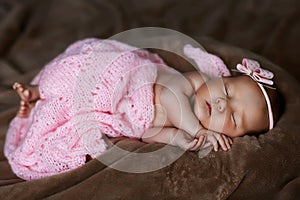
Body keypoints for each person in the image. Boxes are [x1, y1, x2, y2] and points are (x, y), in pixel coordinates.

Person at [4, 38, 281, 180]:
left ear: (232, 136)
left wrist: (181, 140)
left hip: (122, 116)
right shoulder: (195, 84)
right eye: (228, 91)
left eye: (232, 116)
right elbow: (170, 98)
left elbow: (149, 132)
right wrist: (195, 129)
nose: (222, 104)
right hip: (125, 83)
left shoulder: (191, 127)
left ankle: (35, 103)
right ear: (220, 78)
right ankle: (39, 91)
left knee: (71, 121)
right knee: (82, 82)